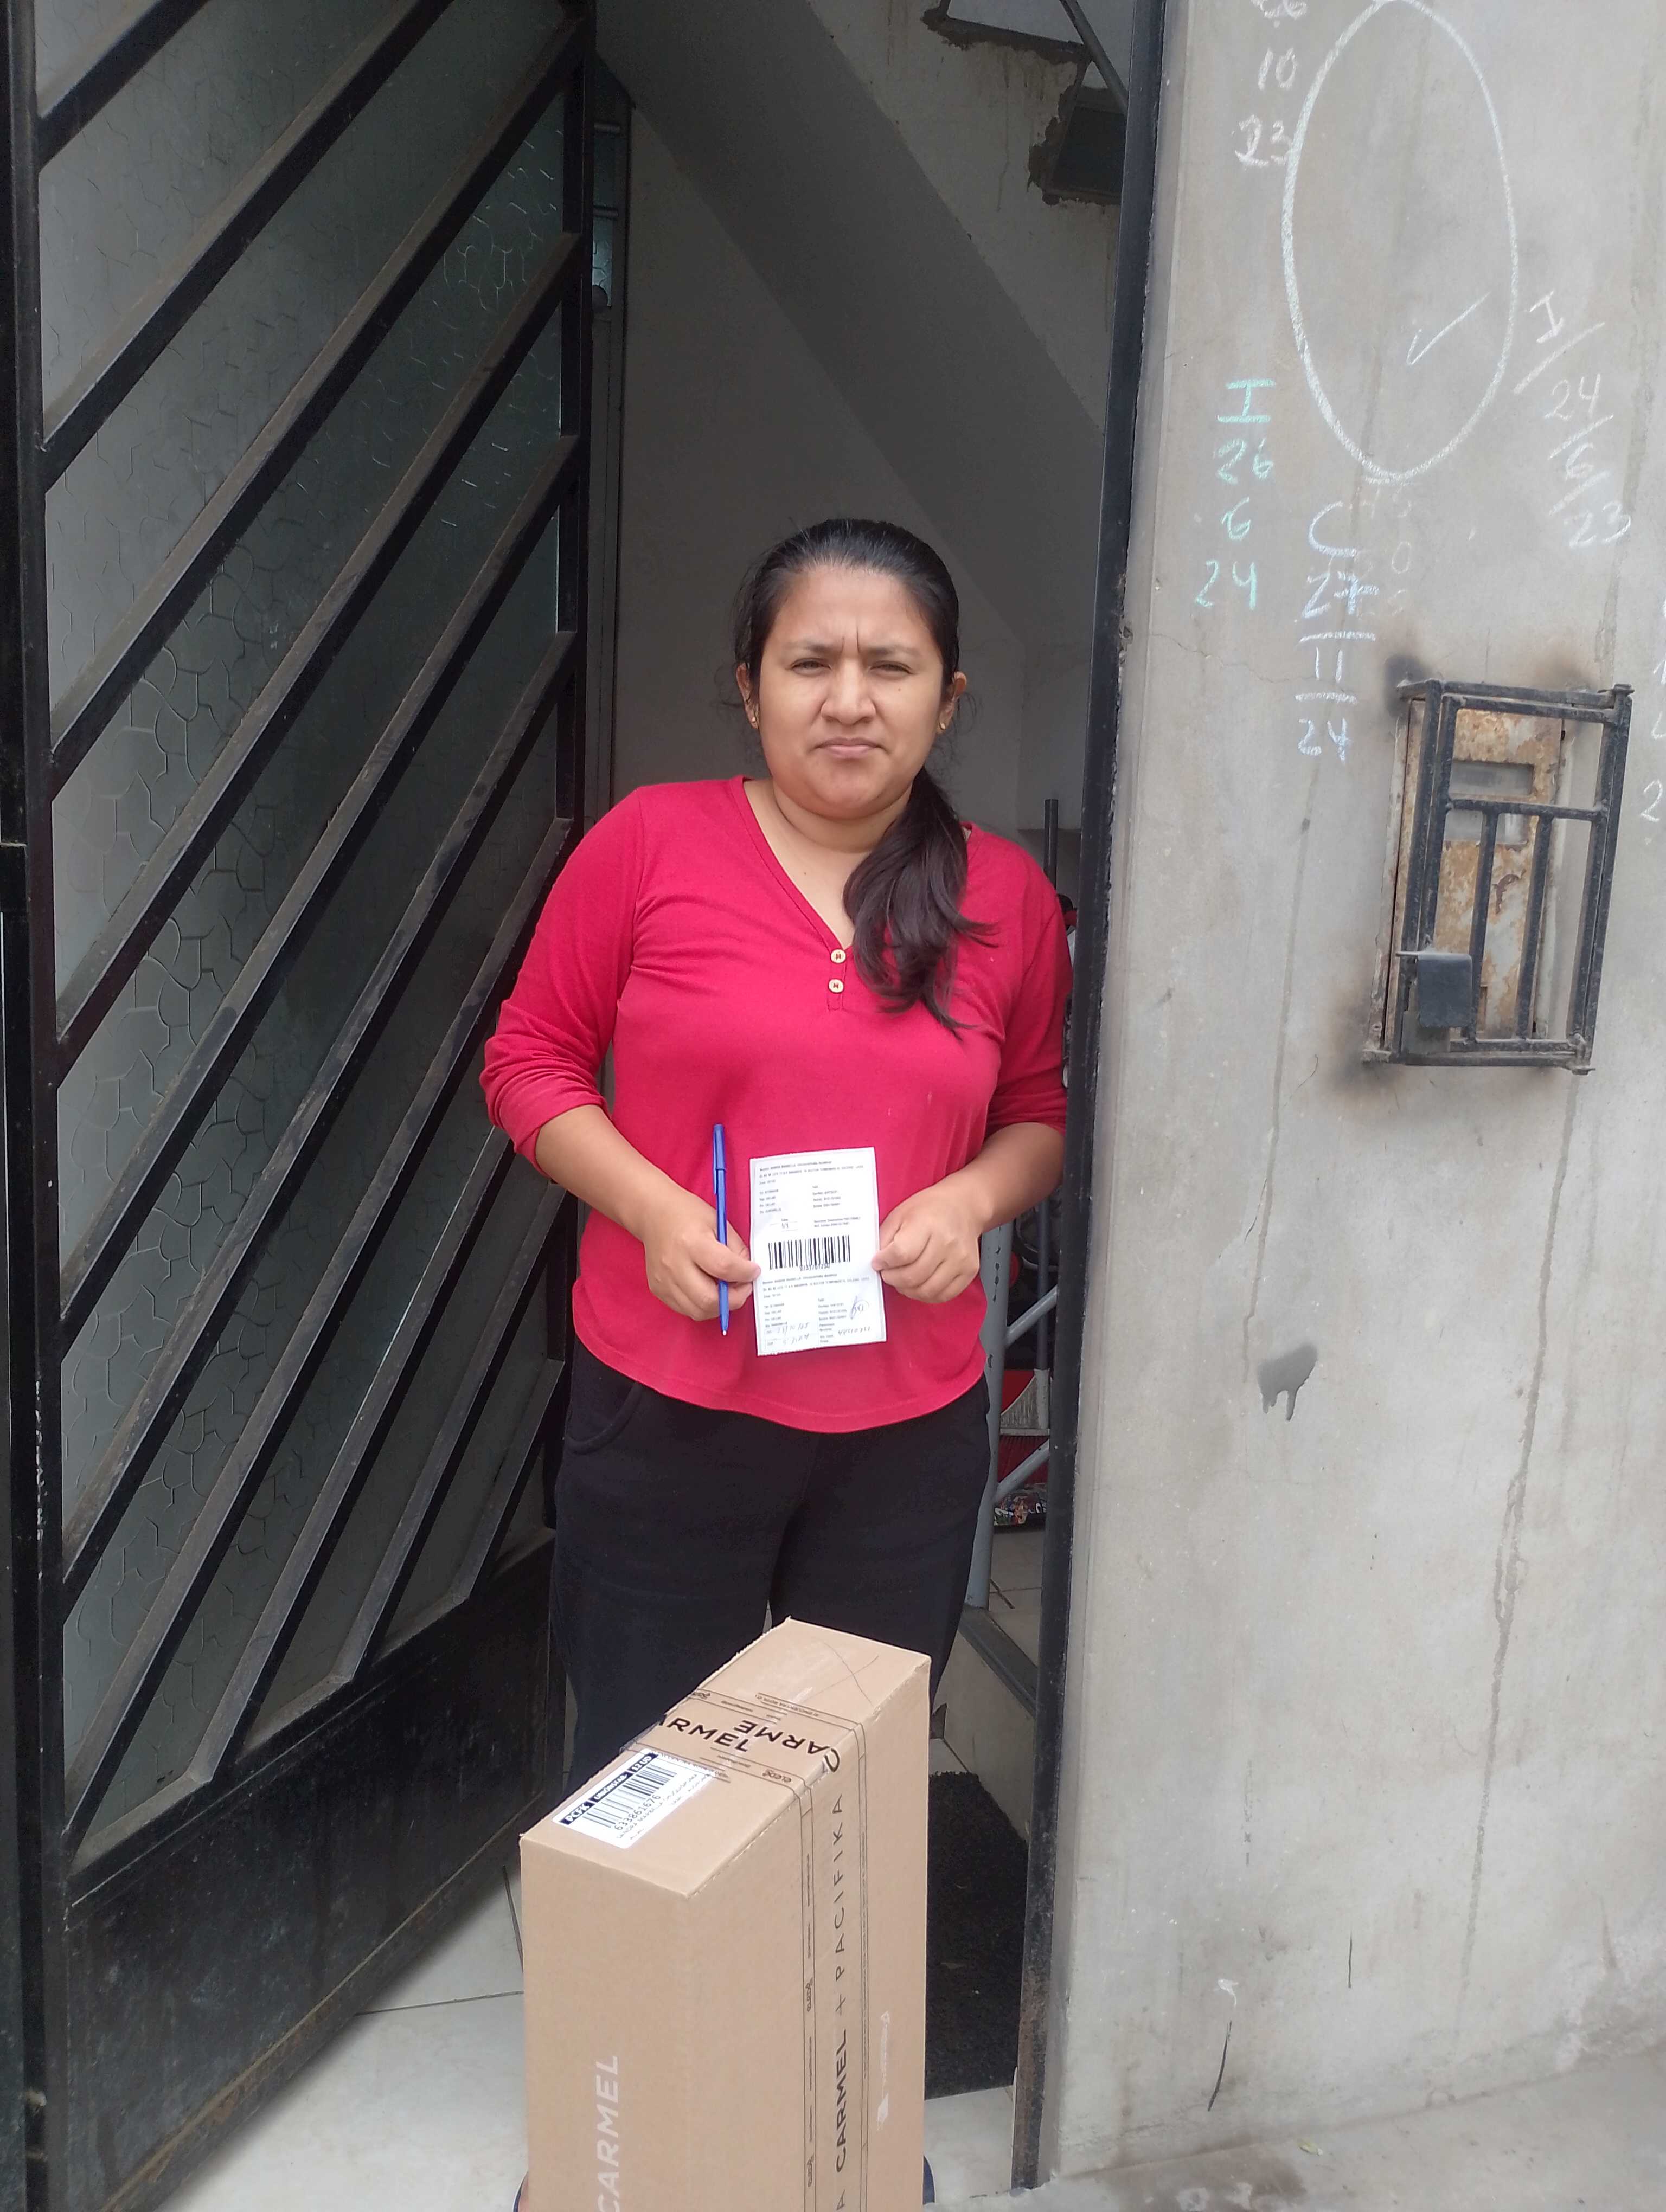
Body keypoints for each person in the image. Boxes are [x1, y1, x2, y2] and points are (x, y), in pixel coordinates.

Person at [483, 512, 1068, 1786]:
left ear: (947, 699)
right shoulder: (648, 844)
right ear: (750, 689)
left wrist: (970, 1202)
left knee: (844, 1788)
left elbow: (1037, 1117)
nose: (849, 700)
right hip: (669, 1404)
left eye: (891, 666)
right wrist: (652, 1210)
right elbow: (528, 1063)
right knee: (647, 1775)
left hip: (905, 1428)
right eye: (811, 663)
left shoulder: (1007, 897)